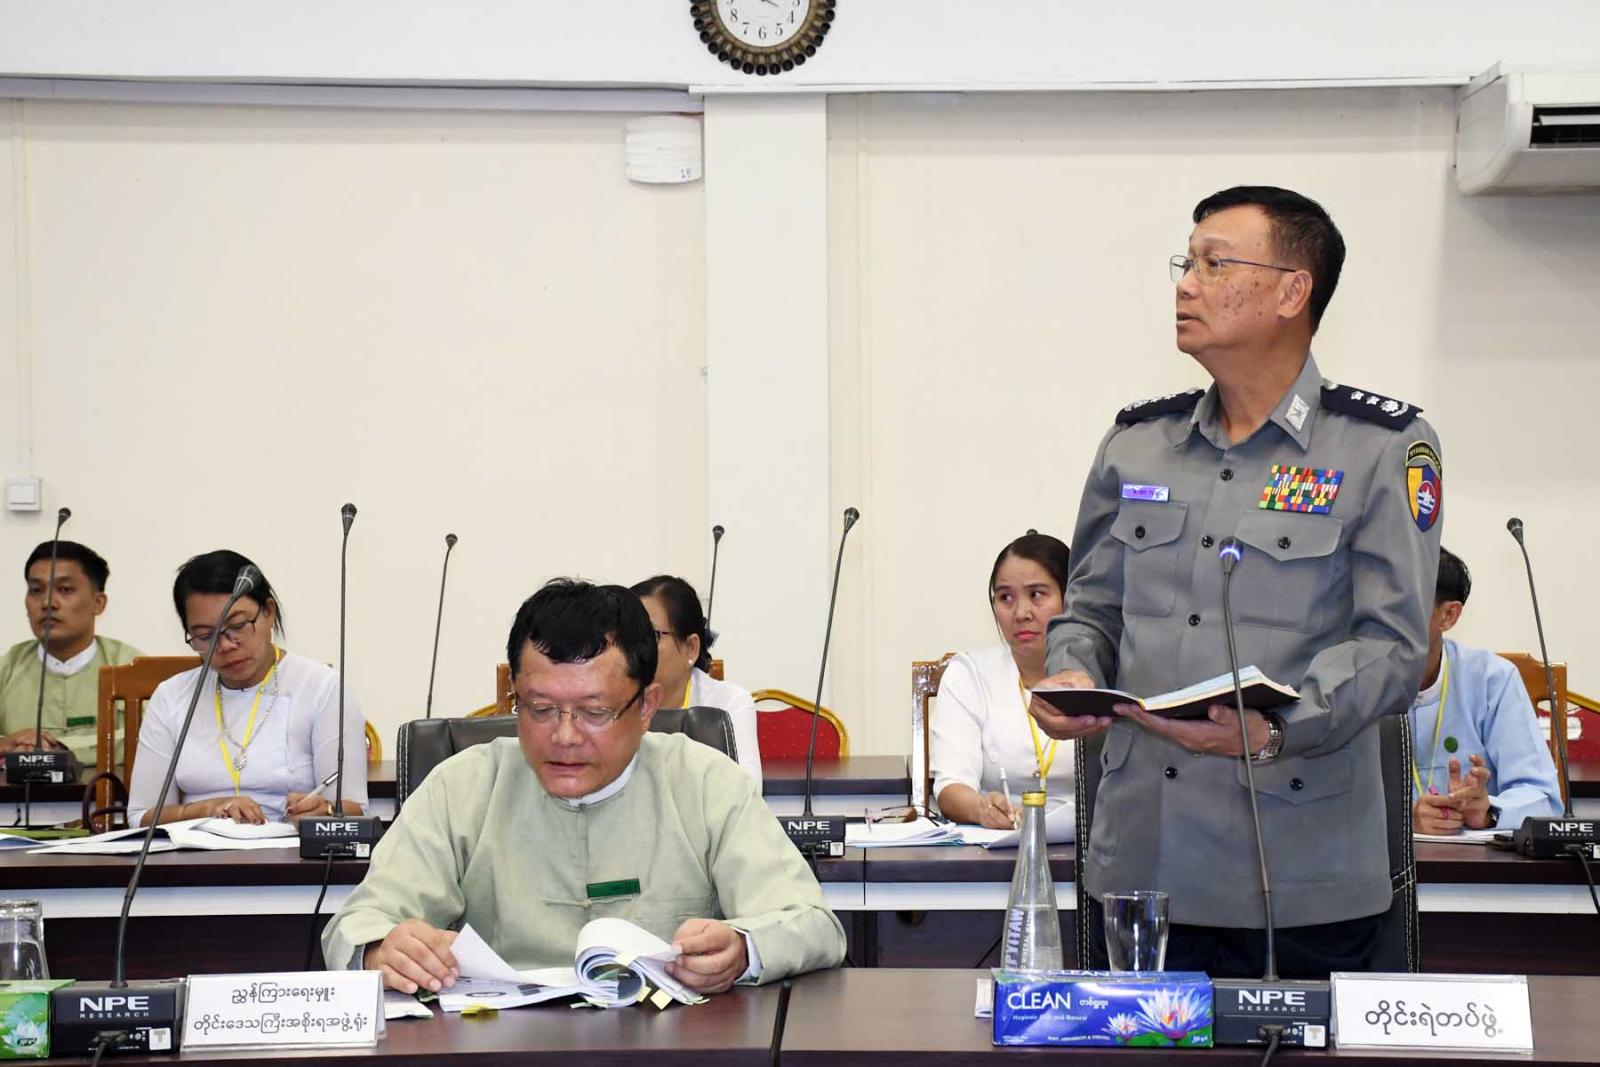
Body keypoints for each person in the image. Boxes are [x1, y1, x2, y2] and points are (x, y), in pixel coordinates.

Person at [1033, 186, 1444, 978]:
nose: (1186, 284)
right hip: (1144, 864)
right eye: (1186, 264)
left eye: (1215, 264)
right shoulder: (1137, 444)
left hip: (1300, 876)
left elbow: (1393, 647)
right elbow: (1090, 609)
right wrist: (1073, 668)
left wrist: (1276, 727)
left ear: (1292, 292)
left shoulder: (1380, 448)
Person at [322, 579, 844, 995]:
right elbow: (357, 923)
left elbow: (813, 924)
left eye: (594, 712)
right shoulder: (462, 787)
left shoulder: (706, 782)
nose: (564, 736)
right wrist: (380, 950)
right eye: (540, 709)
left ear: (646, 706)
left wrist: (744, 949)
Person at [126, 550, 368, 826]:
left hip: (290, 849)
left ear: (268, 612)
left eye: (238, 626)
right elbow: (141, 815)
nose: (226, 645)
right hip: (196, 850)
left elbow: (355, 809)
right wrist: (207, 809)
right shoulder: (172, 697)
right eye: (206, 636)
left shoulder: (322, 688)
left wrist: (324, 811)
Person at [1411, 547, 1561, 835]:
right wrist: (1402, 818)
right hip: (1378, 859)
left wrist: (1489, 811)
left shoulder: (1493, 680)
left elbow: (1545, 800)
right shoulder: (1354, 680)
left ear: (1448, 615)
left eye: (1404, 604)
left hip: (1472, 860)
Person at [929, 532, 1075, 827]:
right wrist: (980, 809)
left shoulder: (1102, 672)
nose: (1021, 613)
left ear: (1070, 598)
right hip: (999, 841)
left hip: (1092, 840)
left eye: (1036, 595)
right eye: (1006, 597)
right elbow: (951, 787)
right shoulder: (969, 675)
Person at [0, 541, 141, 767]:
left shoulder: (131, 667)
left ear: (98, 603)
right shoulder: (6, 668)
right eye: (36, 590)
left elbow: (148, 739)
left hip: (107, 790)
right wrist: (6, 744)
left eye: (65, 589)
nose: (47, 603)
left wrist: (55, 749)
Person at [631, 575, 761, 786]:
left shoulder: (728, 703)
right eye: (628, 635)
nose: (635, 647)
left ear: (691, 648)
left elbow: (748, 789)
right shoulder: (610, 701)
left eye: (650, 635)